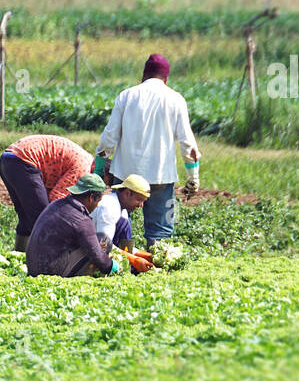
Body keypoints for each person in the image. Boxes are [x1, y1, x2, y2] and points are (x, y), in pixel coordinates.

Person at [94, 54, 200, 248]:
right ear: (166, 79)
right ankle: (156, 267)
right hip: (160, 176)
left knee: (118, 220)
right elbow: (188, 145)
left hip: (126, 176)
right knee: (159, 231)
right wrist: (193, 178)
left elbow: (109, 136)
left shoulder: (126, 96)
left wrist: (99, 169)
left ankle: (119, 265)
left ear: (143, 76)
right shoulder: (176, 99)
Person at [0, 134, 95, 253]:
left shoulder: (84, 160)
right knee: (45, 219)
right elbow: (57, 199)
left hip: (8, 158)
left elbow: (51, 192)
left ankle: (20, 256)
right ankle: (46, 264)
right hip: (24, 160)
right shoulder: (84, 168)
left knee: (27, 216)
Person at [25, 174, 121, 278]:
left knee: (96, 241)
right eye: (98, 201)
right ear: (91, 197)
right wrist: (111, 265)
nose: (97, 205)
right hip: (51, 272)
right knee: (104, 240)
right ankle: (85, 277)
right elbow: (99, 258)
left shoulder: (56, 204)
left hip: (33, 267)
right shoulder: (81, 220)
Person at [92, 173, 151, 250]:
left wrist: (146, 257)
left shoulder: (122, 211)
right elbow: (103, 245)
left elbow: (125, 247)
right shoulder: (108, 207)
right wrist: (135, 259)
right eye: (139, 200)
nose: (141, 205)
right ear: (127, 193)